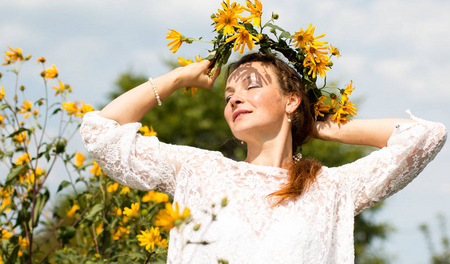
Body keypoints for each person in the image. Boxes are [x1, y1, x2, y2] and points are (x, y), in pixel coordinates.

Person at [80, 52, 447, 263]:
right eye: (228, 95)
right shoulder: (200, 170)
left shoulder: (332, 188)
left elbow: (425, 135)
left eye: (251, 86)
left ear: (291, 100)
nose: (234, 99)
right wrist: (177, 79)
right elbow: (101, 133)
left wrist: (315, 125)